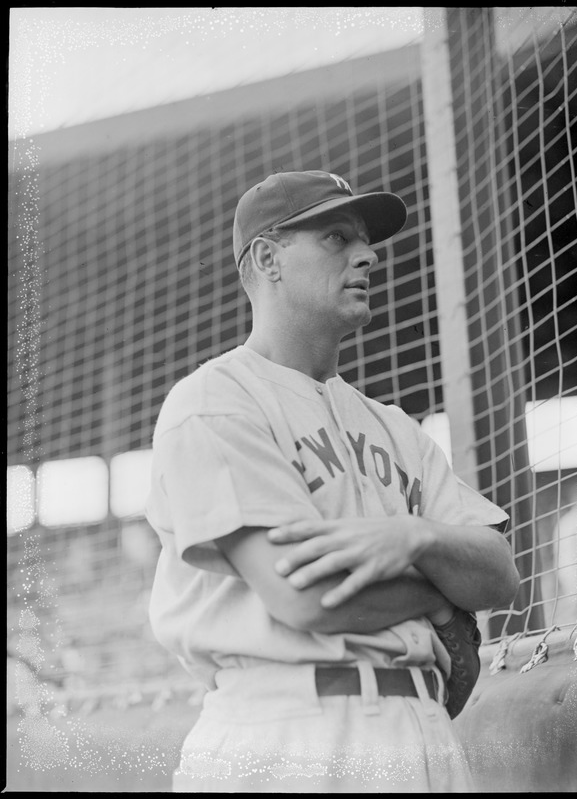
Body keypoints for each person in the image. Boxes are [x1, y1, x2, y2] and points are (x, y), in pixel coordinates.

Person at [145, 169, 520, 793]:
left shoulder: (397, 428)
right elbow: (305, 597)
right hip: (286, 731)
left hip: (422, 732)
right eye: (336, 238)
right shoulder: (214, 402)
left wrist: (414, 539)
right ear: (267, 258)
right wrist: (437, 596)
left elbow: (499, 573)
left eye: (366, 241)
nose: (367, 254)